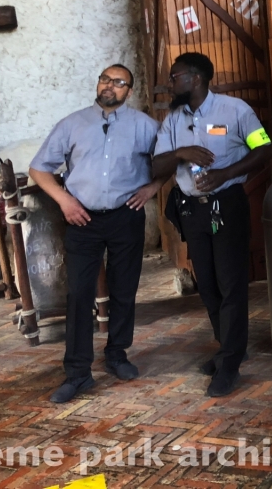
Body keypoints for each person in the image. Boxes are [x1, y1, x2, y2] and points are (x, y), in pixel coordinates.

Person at [30, 64, 163, 404]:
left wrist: (152, 188)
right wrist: (64, 201)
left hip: (125, 215)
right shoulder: (72, 124)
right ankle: (77, 372)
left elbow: (170, 160)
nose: (110, 86)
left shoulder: (145, 126)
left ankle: (117, 354)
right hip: (82, 218)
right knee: (79, 294)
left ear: (128, 91)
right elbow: (39, 168)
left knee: (124, 288)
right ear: (98, 83)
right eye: (106, 79)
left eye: (119, 83)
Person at [152, 52, 272, 398]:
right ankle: (228, 346)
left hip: (227, 206)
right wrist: (181, 152)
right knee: (207, 285)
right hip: (192, 210)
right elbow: (157, 165)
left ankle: (230, 362)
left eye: (176, 76)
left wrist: (226, 173)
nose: (171, 82)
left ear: (197, 78)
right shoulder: (174, 119)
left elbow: (263, 149)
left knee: (231, 283)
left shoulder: (235, 112)